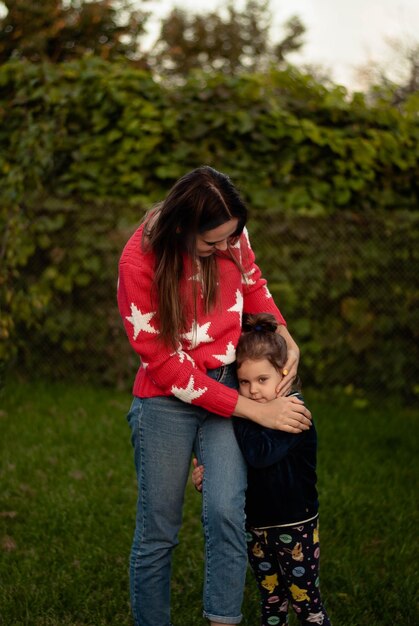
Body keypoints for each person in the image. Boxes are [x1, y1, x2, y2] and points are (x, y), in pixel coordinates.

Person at [117, 165, 312, 626]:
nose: (226, 248)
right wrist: (255, 412)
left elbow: (252, 282)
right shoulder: (138, 262)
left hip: (226, 381)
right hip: (166, 400)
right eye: (213, 243)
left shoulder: (231, 236)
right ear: (183, 228)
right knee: (158, 532)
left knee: (227, 510)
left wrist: (282, 332)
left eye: (232, 238)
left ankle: (221, 620)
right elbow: (165, 365)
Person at [192, 312, 331, 626]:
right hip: (256, 529)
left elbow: (258, 454)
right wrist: (210, 474)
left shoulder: (292, 412)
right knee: (271, 606)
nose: (253, 391)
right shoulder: (257, 412)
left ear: (284, 374)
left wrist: (236, 414)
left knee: (306, 606)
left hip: (295, 528)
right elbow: (237, 467)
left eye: (262, 380)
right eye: (243, 382)